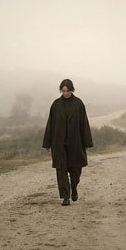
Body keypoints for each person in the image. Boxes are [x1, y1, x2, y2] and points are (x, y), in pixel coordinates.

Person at [42, 78, 94, 206]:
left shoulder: (78, 104)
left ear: (72, 90)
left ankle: (74, 186)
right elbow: (51, 124)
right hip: (59, 144)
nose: (65, 93)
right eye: (63, 91)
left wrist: (86, 142)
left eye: (67, 90)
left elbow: (84, 124)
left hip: (75, 143)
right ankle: (66, 196)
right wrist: (47, 143)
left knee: (76, 169)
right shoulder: (55, 105)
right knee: (61, 170)